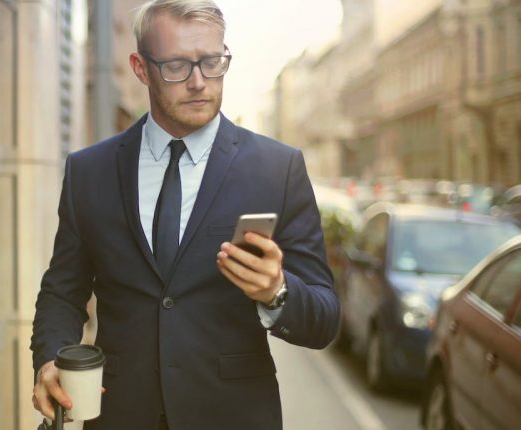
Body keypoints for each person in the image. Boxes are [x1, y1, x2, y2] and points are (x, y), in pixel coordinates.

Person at [30, 1, 339, 428]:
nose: (199, 82)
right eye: (176, 66)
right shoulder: (89, 171)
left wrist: (277, 292)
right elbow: (63, 293)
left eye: (212, 62)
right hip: (120, 416)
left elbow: (324, 319)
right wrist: (48, 359)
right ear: (141, 68)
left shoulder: (278, 169)